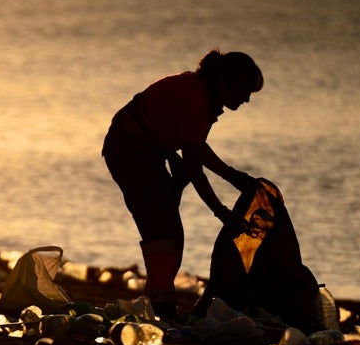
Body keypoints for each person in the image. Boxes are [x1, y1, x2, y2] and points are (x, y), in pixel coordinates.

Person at [102, 49, 264, 321]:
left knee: (169, 231)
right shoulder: (195, 97)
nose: (247, 99)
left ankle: (158, 303)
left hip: (151, 152)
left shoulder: (204, 94)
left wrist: (234, 176)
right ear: (228, 81)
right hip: (129, 150)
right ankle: (162, 307)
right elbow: (194, 166)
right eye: (245, 90)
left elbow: (197, 147)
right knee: (161, 231)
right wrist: (222, 213)